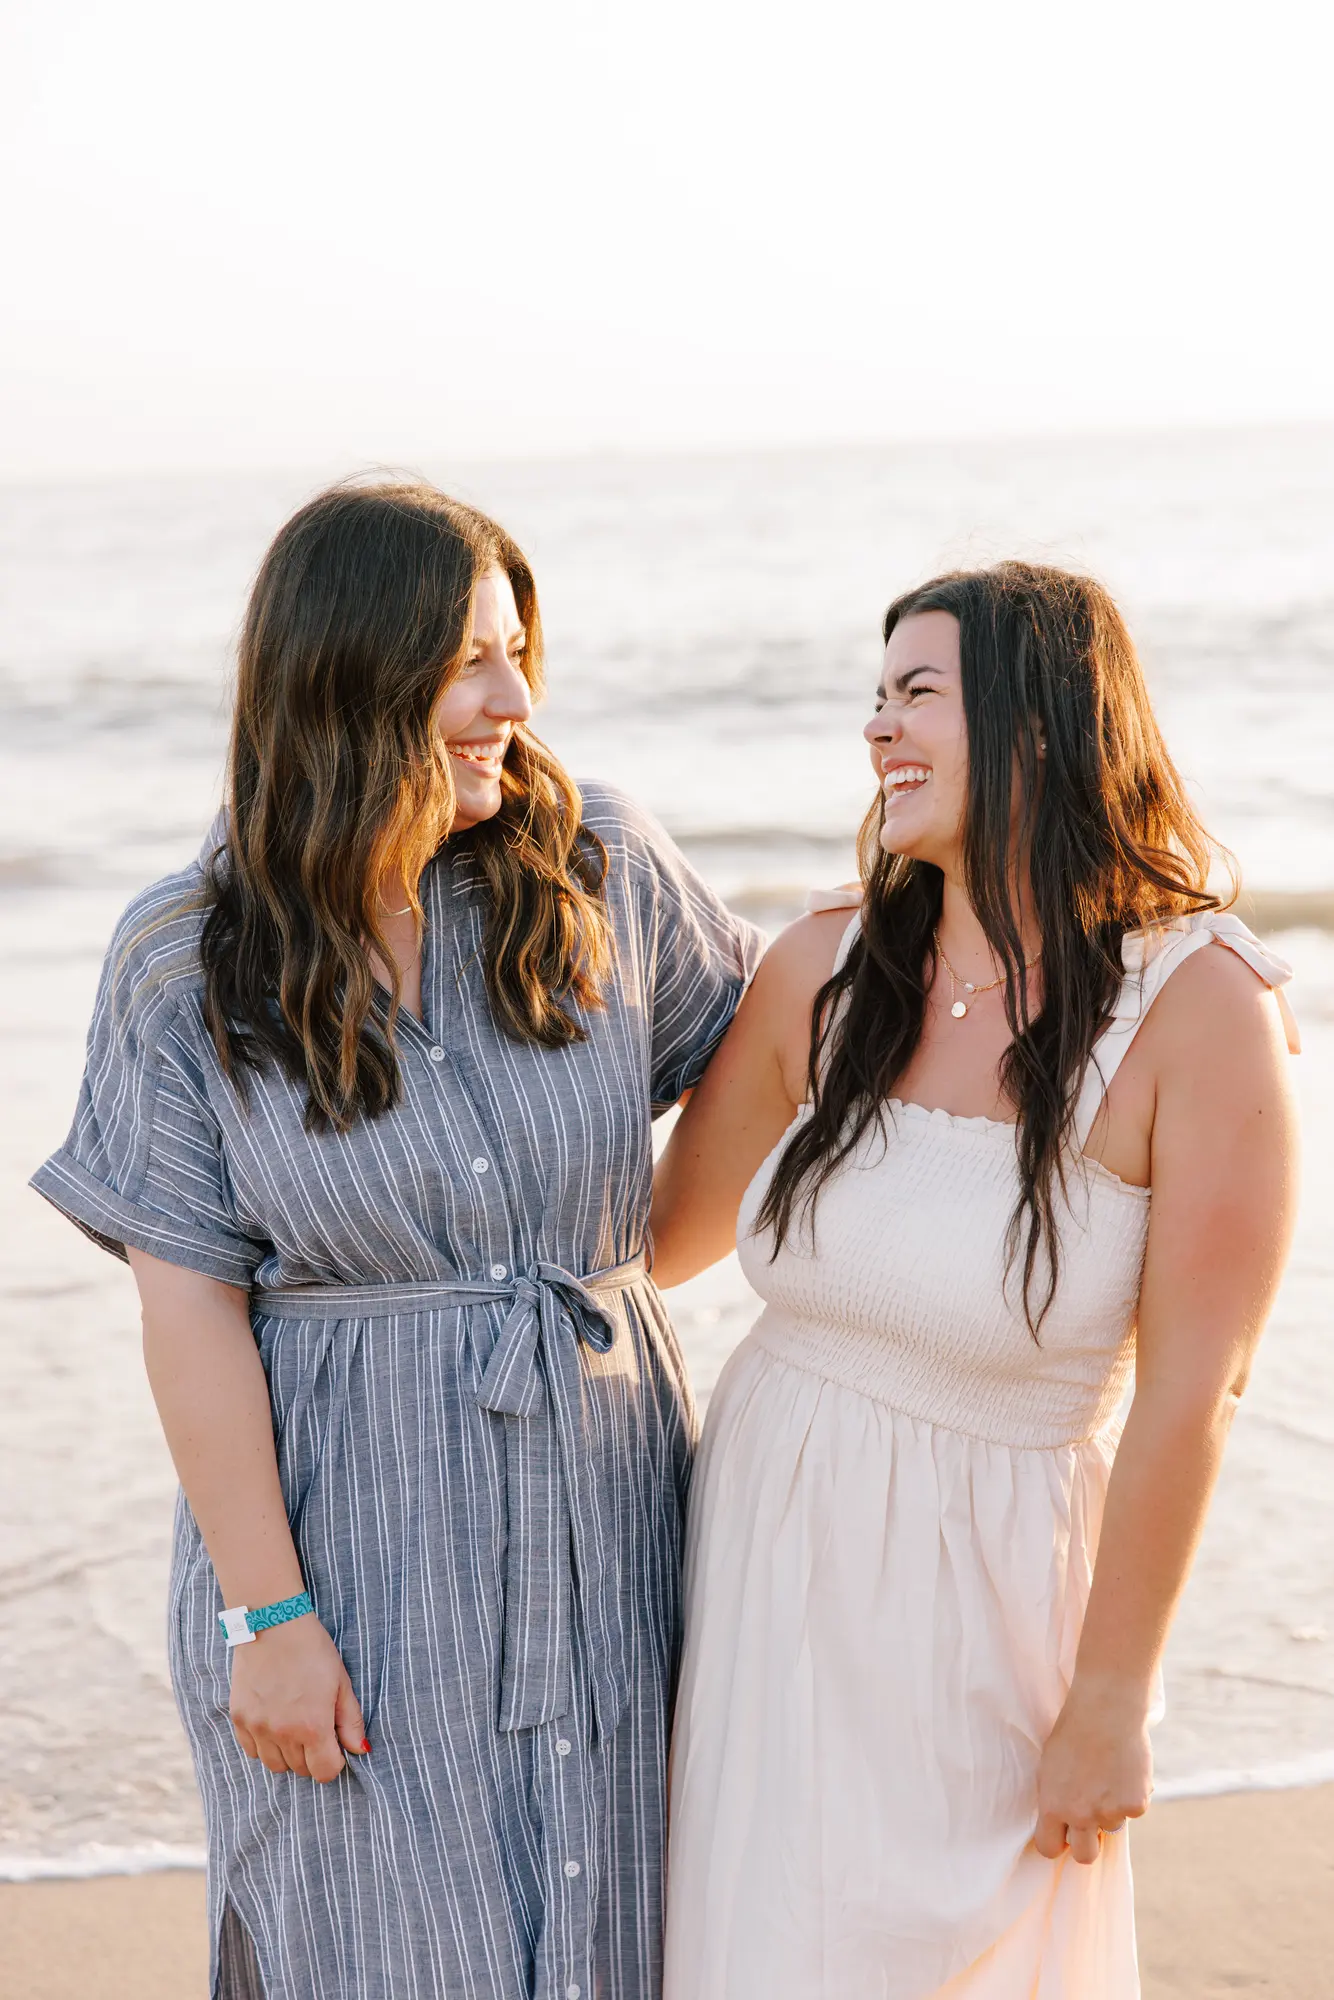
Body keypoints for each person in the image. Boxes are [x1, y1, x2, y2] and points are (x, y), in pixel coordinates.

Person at [32, 480, 761, 2000]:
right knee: (378, 1946)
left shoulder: (603, 869)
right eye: (469, 662)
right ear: (349, 677)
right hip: (350, 1557)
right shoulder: (188, 955)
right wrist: (270, 1618)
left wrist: (631, 1269)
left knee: (623, 1925)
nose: (515, 701)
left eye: (518, 655)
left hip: (611, 1517)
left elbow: (785, 1044)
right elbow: (189, 1313)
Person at [651, 562, 1300, 1998]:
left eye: (918, 693)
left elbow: (1197, 1393)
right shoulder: (824, 966)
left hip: (988, 1613)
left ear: (1042, 722)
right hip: (761, 1573)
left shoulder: (1198, 1007)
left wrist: (1112, 1698)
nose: (877, 727)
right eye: (875, 697)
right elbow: (645, 1245)